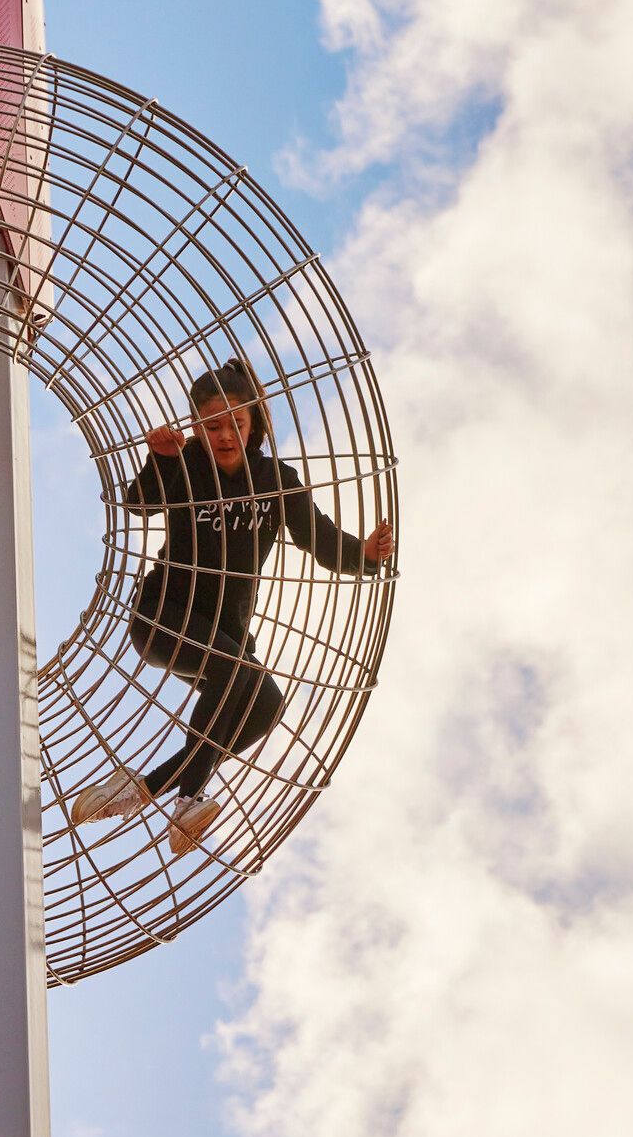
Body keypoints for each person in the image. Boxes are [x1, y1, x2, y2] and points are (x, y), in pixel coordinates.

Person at [70, 359, 396, 854]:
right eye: (212, 425)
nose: (224, 436)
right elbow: (139, 503)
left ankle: (139, 789)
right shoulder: (186, 464)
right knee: (234, 669)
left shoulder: (274, 481)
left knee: (265, 705)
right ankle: (189, 799)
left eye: (235, 424)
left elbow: (323, 542)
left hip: (226, 631)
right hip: (163, 617)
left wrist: (367, 555)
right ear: (197, 428)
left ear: (254, 423)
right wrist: (159, 458)